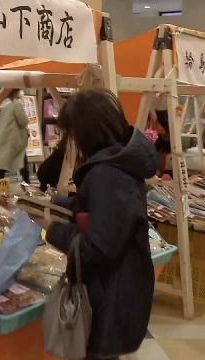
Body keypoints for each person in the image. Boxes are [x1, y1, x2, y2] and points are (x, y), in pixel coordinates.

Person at [30, 89, 158, 360]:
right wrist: (59, 203)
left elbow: (99, 247)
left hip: (108, 297)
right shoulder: (121, 162)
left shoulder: (106, 174)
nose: (72, 141)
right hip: (123, 287)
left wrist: (51, 228)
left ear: (87, 131)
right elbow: (104, 216)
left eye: (73, 133)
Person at [0, 89, 30, 183]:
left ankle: (1, 183)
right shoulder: (16, 105)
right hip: (14, 138)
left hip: (2, 137)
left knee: (2, 163)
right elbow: (23, 121)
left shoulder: (1, 105)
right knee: (21, 159)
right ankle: (26, 181)